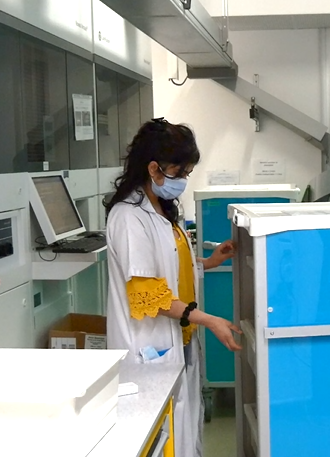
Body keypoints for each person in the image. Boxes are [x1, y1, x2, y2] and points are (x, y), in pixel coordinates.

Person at [104, 118, 242, 457]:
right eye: (178, 173)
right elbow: (148, 294)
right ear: (154, 168)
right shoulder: (129, 218)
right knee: (160, 438)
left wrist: (210, 262)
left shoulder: (160, 209)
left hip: (177, 340)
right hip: (147, 347)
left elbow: (168, 267)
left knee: (182, 430)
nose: (181, 181)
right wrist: (208, 320)